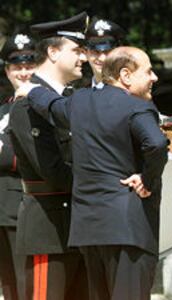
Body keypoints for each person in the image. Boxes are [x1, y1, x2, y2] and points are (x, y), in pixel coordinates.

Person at [19, 46, 168, 300]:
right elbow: (156, 143)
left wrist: (30, 90)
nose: (154, 77)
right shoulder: (138, 107)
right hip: (128, 229)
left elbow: (51, 105)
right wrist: (147, 178)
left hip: (88, 230)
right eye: (148, 71)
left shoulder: (79, 101)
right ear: (126, 75)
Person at [8, 12, 89, 300]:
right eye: (77, 50)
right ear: (53, 52)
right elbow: (53, 170)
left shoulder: (71, 99)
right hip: (49, 230)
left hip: (79, 227)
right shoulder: (28, 105)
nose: (85, 57)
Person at [0, 32, 37, 300]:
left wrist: (4, 154)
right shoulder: (4, 109)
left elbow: (38, 159)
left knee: (26, 287)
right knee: (9, 287)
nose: (23, 72)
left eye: (28, 65)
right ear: (7, 70)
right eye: (17, 67)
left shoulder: (42, 104)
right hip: (1, 211)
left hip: (22, 211)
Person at [84, 18, 125, 88]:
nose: (102, 58)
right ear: (86, 53)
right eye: (96, 51)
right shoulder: (81, 96)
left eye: (107, 52)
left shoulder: (131, 94)